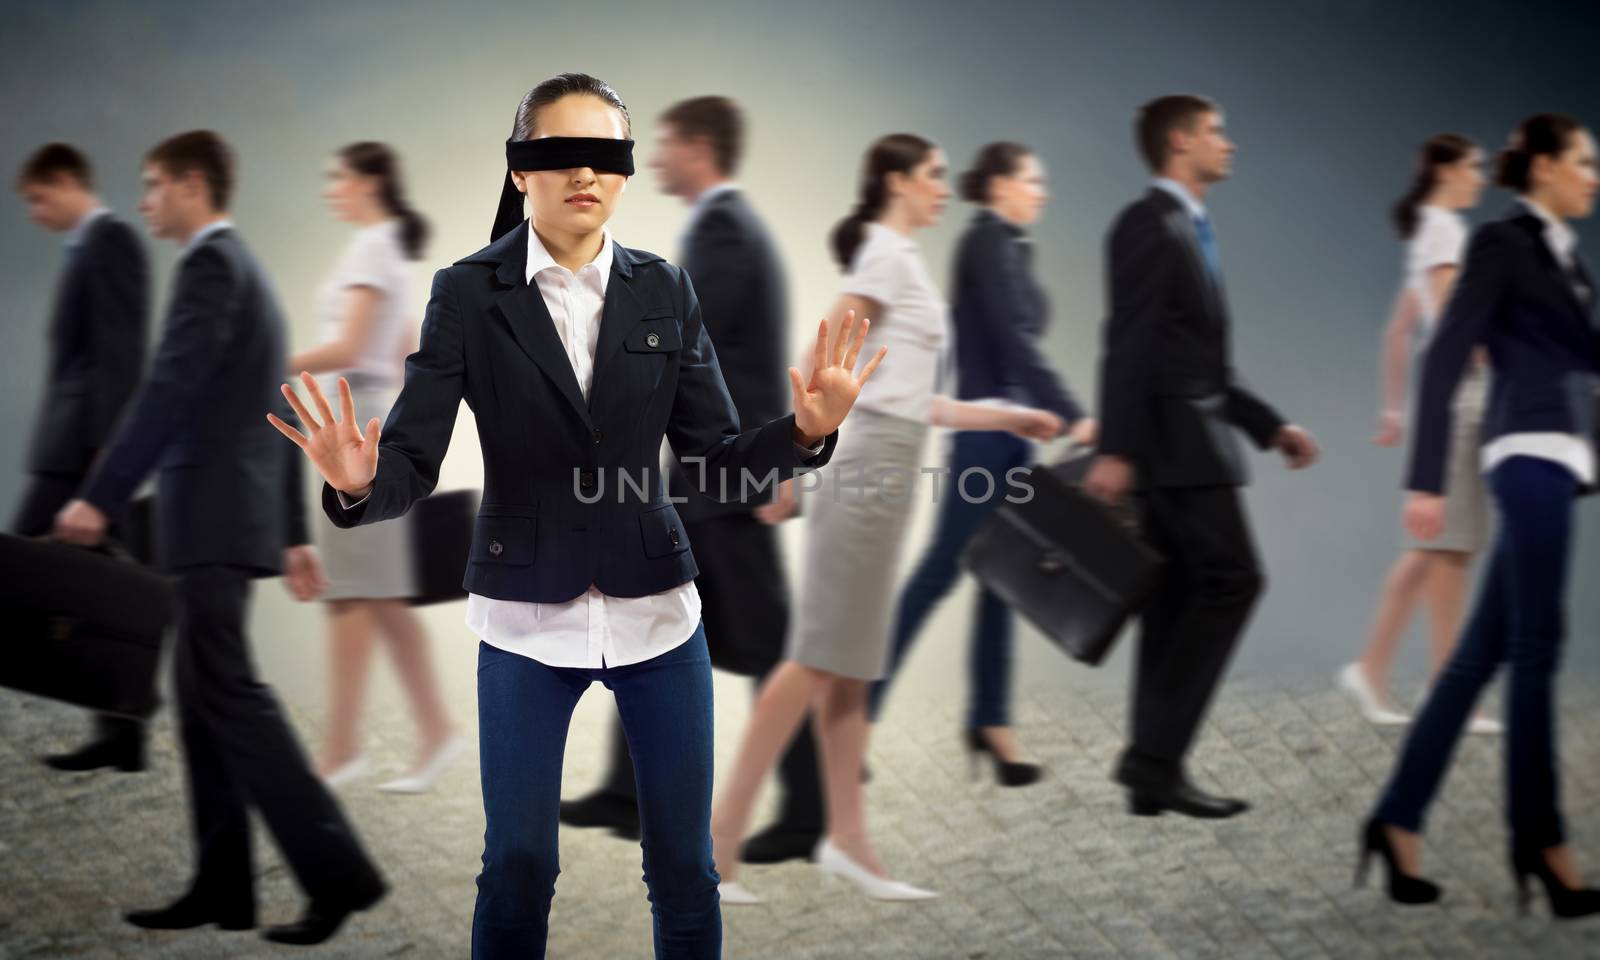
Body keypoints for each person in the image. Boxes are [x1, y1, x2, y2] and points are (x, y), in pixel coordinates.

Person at [270, 73, 879, 960]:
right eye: (558, 155)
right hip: (523, 617)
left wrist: (806, 435)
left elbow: (713, 465)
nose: (583, 173)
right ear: (520, 170)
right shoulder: (466, 294)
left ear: (626, 173)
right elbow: (410, 461)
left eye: (607, 155)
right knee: (516, 864)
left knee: (684, 868)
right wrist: (361, 483)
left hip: (659, 616)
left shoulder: (666, 289)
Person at [709, 133, 1063, 905]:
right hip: (865, 472)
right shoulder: (884, 256)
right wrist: (786, 455)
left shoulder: (902, 260)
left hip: (891, 465)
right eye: (934, 175)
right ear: (897, 181)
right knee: (812, 662)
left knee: (851, 666)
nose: (945, 186)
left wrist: (1003, 415)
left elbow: (910, 399)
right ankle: (718, 843)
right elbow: (823, 356)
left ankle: (850, 840)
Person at [52, 130, 386, 946]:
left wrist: (100, 495)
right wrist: (290, 534)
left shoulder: (209, 269)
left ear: (194, 186)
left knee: (229, 696)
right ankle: (221, 887)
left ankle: (337, 875)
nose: (144, 202)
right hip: (226, 520)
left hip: (204, 521)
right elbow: (279, 410)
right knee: (204, 706)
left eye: (155, 184)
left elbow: (169, 388)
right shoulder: (254, 277)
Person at [560, 95, 826, 865]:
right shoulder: (730, 231)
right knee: (653, 622)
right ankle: (625, 791)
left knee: (769, 649)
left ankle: (810, 810)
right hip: (715, 482)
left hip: (724, 486)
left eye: (667, 143)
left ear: (701, 148)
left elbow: (672, 351)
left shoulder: (722, 234)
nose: (656, 158)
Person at [1364, 113, 1600, 920]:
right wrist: (1426, 477)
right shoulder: (1501, 244)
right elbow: (1441, 347)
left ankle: (1396, 818)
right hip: (1525, 449)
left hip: (1562, 457)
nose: (1594, 176)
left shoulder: (1569, 262)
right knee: (1540, 646)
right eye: (1583, 161)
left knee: (1481, 656)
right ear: (1540, 169)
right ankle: (1541, 841)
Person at [1083, 95, 1320, 819]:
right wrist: (1116, 449)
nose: (1230, 144)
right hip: (1174, 450)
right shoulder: (1147, 224)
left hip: (1194, 441)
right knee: (1230, 581)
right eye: (1218, 131)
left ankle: (1152, 774)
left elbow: (1201, 356)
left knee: (1177, 596)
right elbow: (1130, 340)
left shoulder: (1190, 226)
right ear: (1180, 142)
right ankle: (1152, 758)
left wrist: (1270, 425)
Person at [868, 141, 1096, 787]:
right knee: (941, 573)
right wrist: (1074, 412)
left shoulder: (1015, 247)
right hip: (983, 439)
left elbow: (1019, 346)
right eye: (1032, 179)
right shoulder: (987, 242)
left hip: (1014, 437)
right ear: (999, 185)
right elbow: (1015, 342)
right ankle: (856, 713)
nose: (1042, 192)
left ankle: (992, 722)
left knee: (1004, 581)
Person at [289, 142, 462, 793]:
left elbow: (351, 345)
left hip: (351, 416)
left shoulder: (371, 249)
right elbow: (405, 347)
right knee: (379, 595)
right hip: (369, 416)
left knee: (353, 595)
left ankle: (341, 752)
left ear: (371, 181)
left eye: (337, 177)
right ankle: (436, 734)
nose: (330, 188)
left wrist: (267, 365)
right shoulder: (387, 249)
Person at [1339, 134, 1500, 735]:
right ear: (1446, 170)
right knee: (1450, 551)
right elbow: (1459, 331)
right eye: (1475, 167)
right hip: (1461, 401)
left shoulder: (1429, 232)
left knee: (1432, 549)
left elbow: (1401, 331)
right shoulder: (1444, 232)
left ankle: (1371, 669)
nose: (1481, 177)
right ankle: (1446, 691)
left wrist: (1393, 409)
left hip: (1449, 400)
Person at [12, 143, 150, 773]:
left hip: (81, 450)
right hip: (69, 442)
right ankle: (123, 732)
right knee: (104, 587)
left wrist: (105, 463)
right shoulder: (89, 247)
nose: (36, 214)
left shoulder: (111, 240)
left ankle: (124, 727)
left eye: (39, 198)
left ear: (66, 180)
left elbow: (119, 352)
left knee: (29, 568)